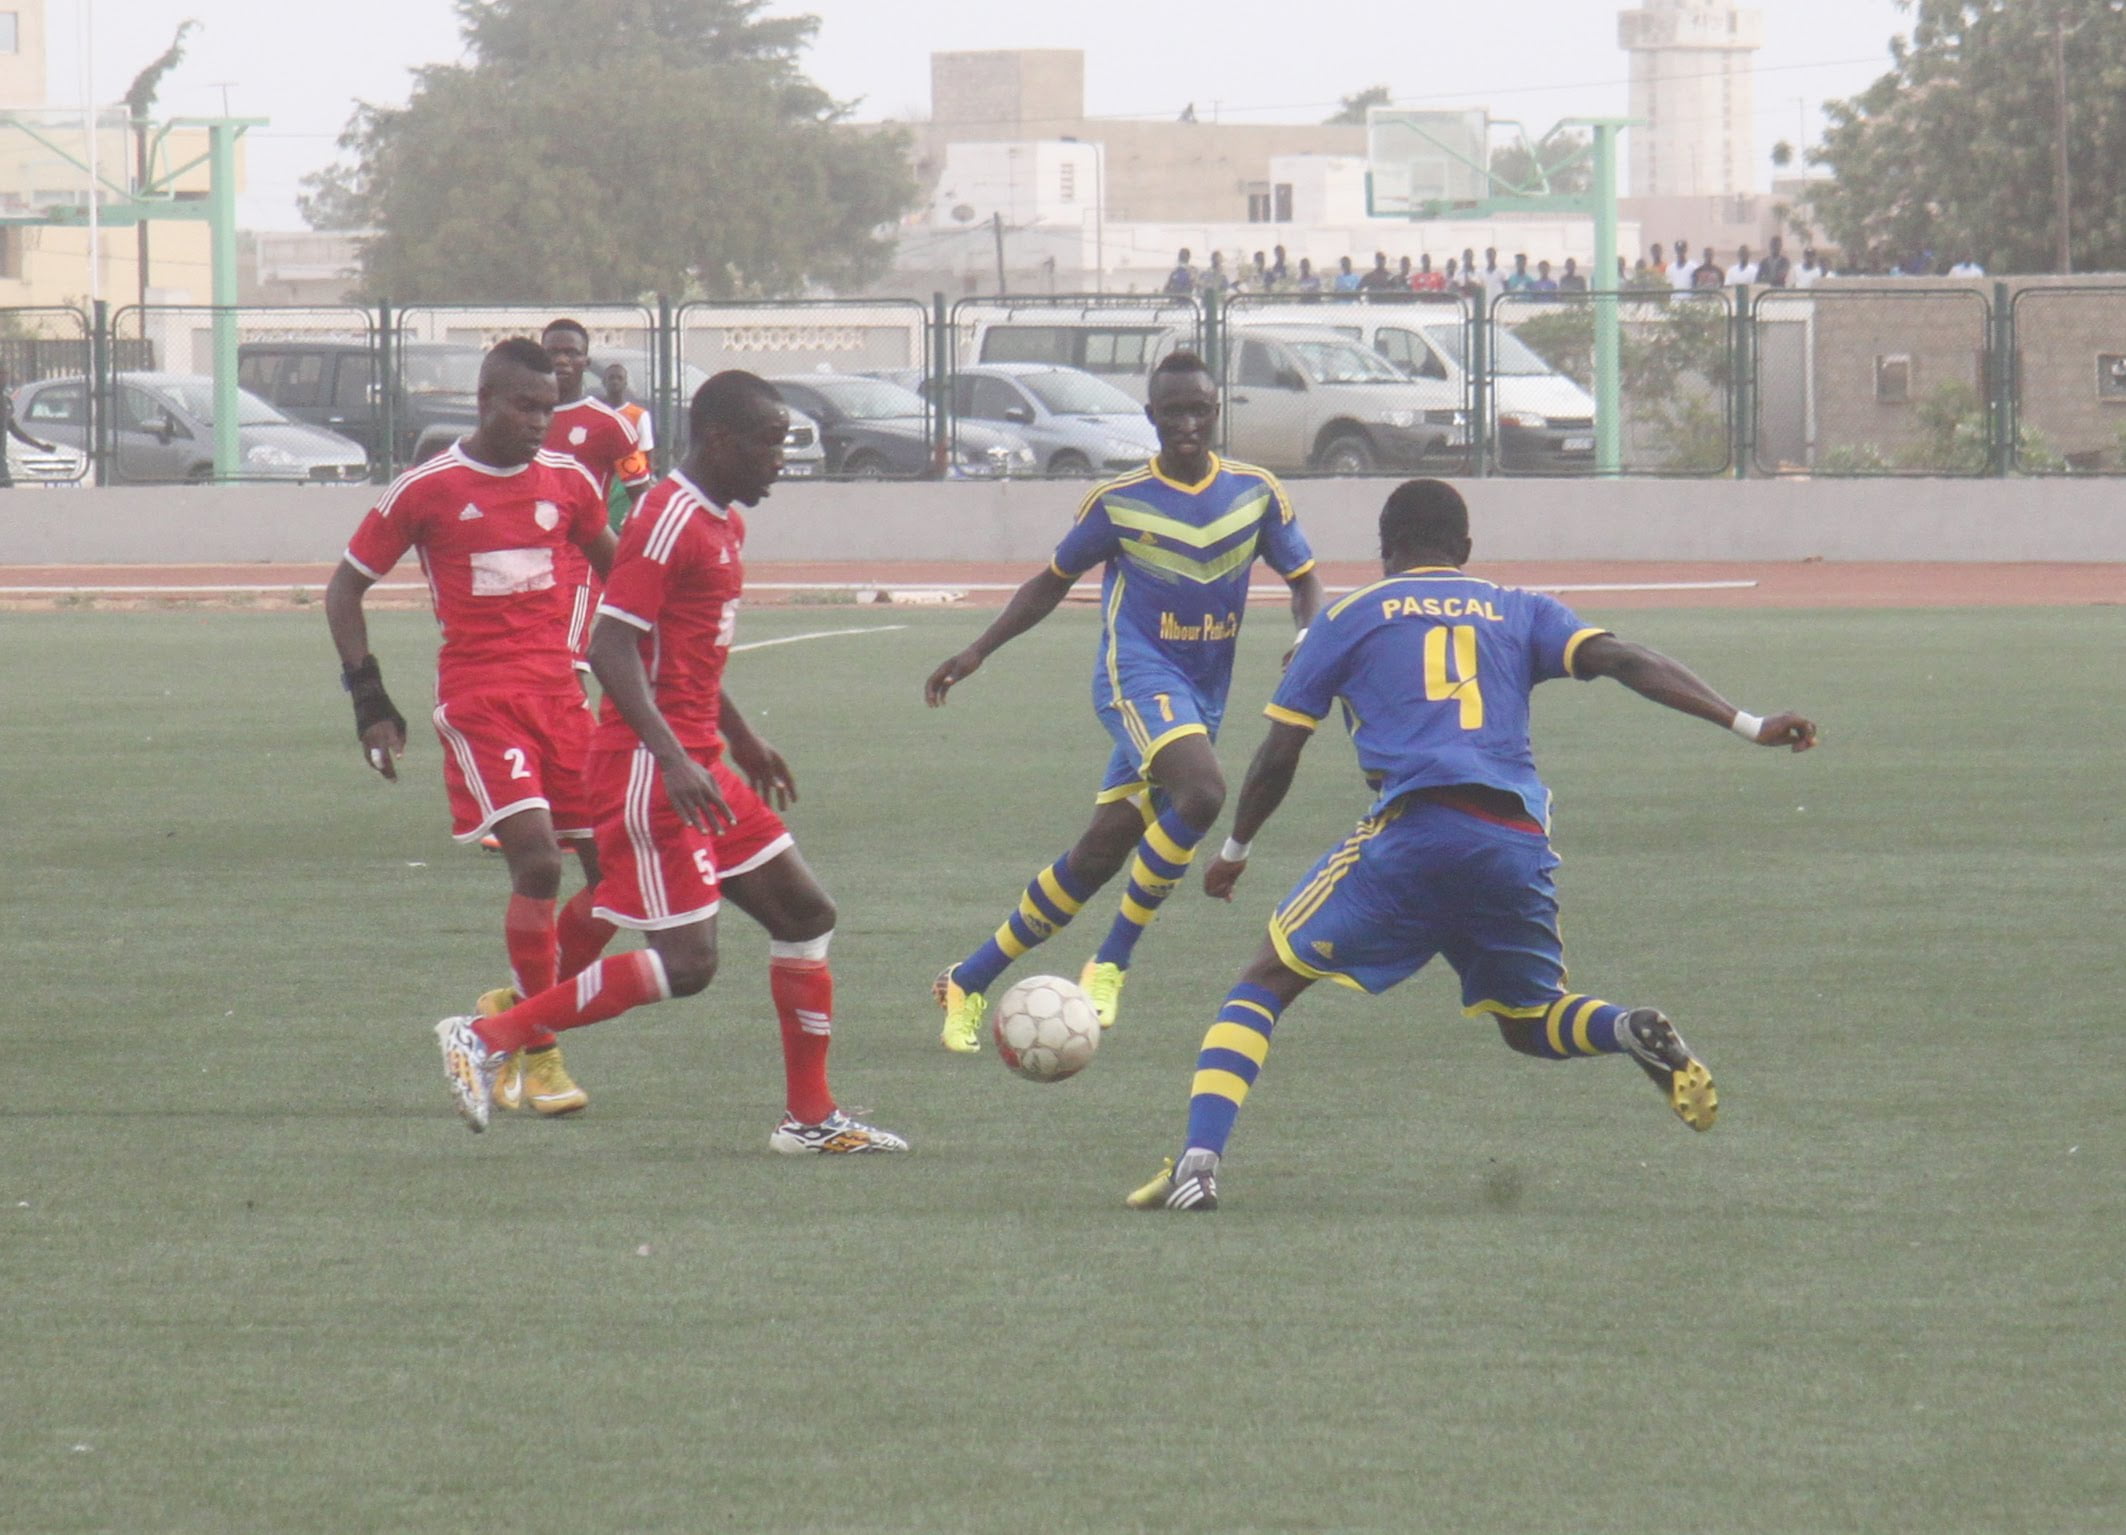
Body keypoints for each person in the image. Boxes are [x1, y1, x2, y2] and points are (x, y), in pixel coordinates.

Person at [1126, 479, 1819, 1211]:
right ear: (1464, 550)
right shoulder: (1518, 608)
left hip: (1417, 834)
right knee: (1529, 1019)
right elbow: (1624, 659)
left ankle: (1197, 1166)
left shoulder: (1351, 615)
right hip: (1513, 841)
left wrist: (1234, 848)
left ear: (1386, 552)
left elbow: (1278, 754)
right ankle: (1626, 1027)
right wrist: (1749, 721)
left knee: (1265, 981)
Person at [434, 370, 909, 1153]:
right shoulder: (667, 519)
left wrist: (743, 739)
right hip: (651, 770)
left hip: (698, 763)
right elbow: (612, 645)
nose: (779, 461)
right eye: (770, 444)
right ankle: (488, 1035)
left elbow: (679, 655)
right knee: (687, 963)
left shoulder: (721, 523)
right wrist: (674, 759)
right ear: (720, 440)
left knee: (805, 915)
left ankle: (810, 1119)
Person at [924, 352, 1324, 1048]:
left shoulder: (1257, 493)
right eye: (1173, 412)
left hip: (1202, 692)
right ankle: (1111, 960)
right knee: (1201, 793)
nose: (1188, 423)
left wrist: (1309, 631)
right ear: (1152, 417)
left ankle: (970, 977)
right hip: (1134, 676)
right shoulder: (1118, 502)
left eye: (1199, 408)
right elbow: (1051, 581)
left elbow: (1305, 577)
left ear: (1215, 410)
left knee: (1098, 855)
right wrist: (978, 650)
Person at [327, 339, 618, 1118]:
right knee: (537, 862)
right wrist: (370, 702)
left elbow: (621, 572)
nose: (538, 423)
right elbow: (344, 590)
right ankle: (545, 1053)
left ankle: (517, 1003)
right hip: (482, 702)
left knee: (616, 881)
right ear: (486, 399)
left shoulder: (570, 481)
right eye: (525, 406)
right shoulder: (428, 489)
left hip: (562, 700)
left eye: (548, 410)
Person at [541, 319, 651, 673]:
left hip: (579, 559)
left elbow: (642, 496)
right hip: (526, 555)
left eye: (571, 353)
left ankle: (576, 728)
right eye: (553, 352)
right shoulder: (519, 419)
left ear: (586, 362)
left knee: (567, 660)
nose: (561, 360)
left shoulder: (611, 426)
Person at [600, 361, 655, 530]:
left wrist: (647, 476)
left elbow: (646, 451)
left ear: (625, 383)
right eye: (611, 378)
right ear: (604, 382)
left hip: (628, 477)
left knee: (621, 526)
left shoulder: (639, 415)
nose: (615, 381)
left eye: (619, 378)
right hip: (603, 475)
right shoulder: (597, 411)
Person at [0, 367, 59, 487]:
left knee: (7, 490)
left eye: (6, 374)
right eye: (2, 374)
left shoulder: (5, 401)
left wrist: (40, 446)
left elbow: (14, 430)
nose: (5, 378)